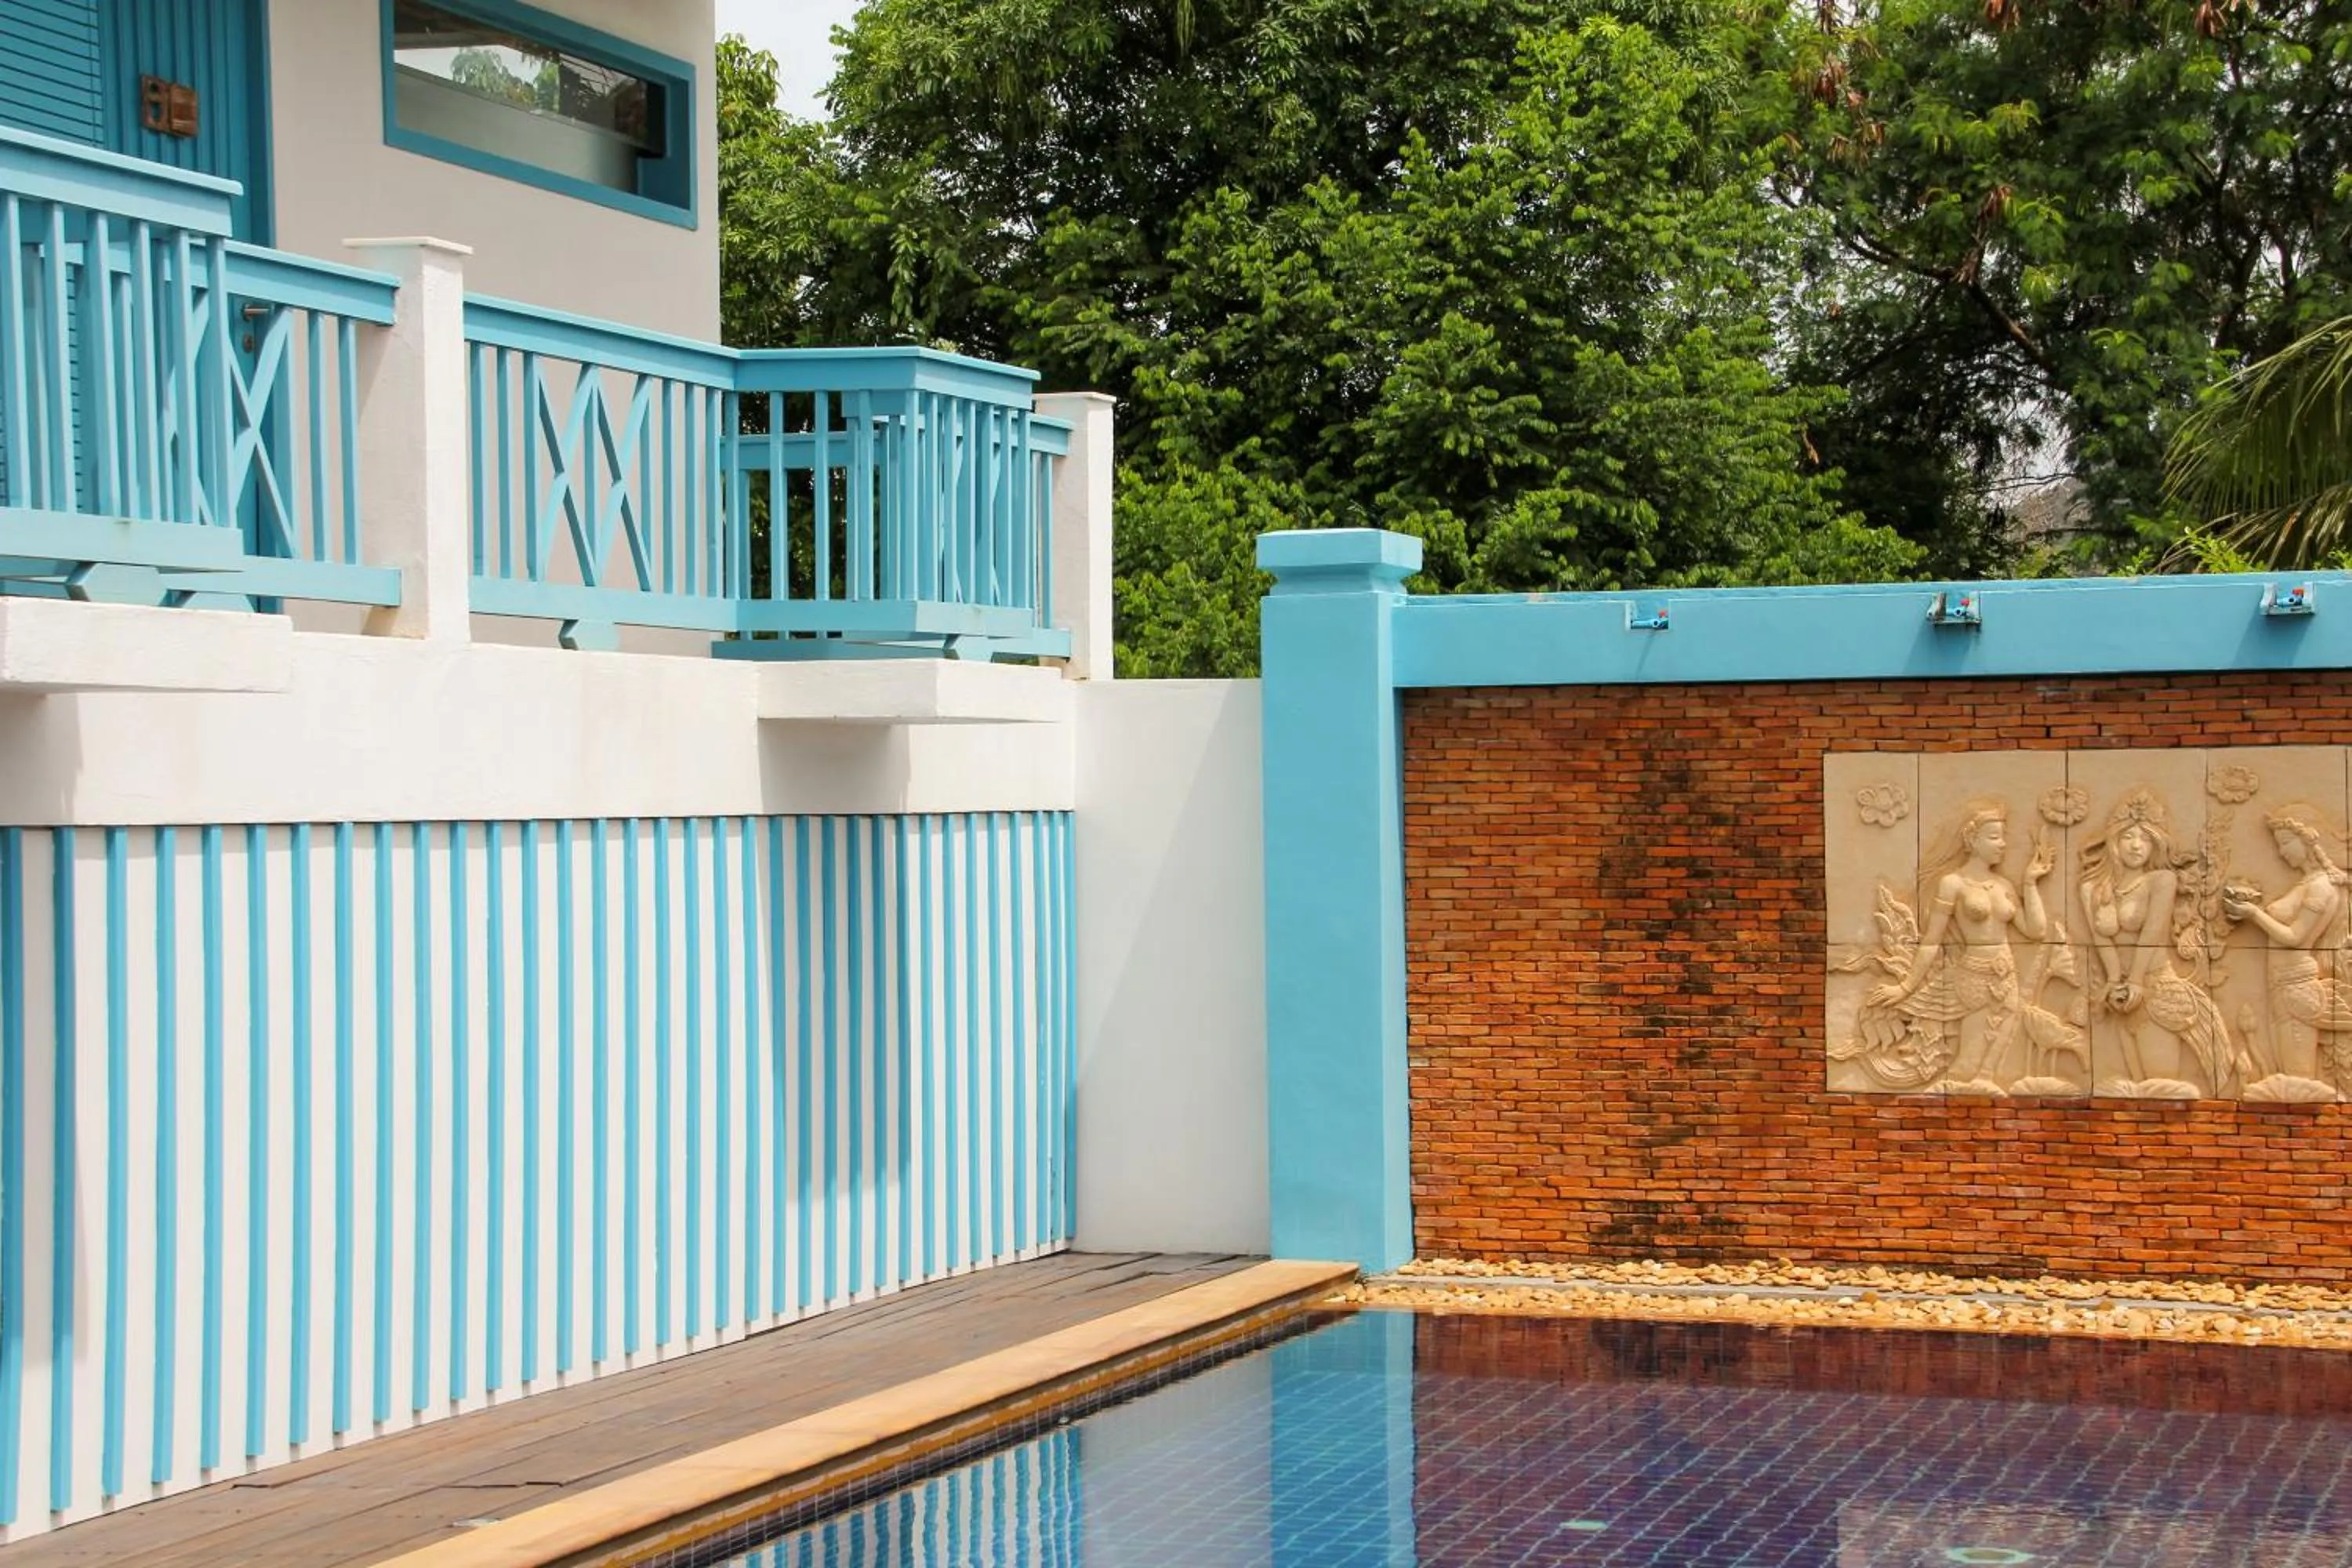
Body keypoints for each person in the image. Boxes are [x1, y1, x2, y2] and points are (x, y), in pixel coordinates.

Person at [1869, 798, 2079, 1089]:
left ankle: (1983, 1087)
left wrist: (2031, 883)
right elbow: (1931, 941)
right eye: (1994, 837)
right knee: (1969, 1057)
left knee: (1997, 1048)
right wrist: (1905, 986)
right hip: (1973, 976)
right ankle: (1959, 1091)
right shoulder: (1953, 883)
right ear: (1972, 840)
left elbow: (2035, 930)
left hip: (2006, 973)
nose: (2002, 844)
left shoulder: (2004, 886)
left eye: (2003, 837)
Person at [2077, 789, 2231, 1095]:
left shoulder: (2161, 881)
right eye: (2129, 837)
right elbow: (2100, 940)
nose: (2136, 845)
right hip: (2117, 989)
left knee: (2160, 1083)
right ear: (2114, 840)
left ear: (2156, 844)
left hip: (2157, 988)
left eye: (2145, 839)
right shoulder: (2091, 886)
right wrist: (2113, 981)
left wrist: (2135, 982)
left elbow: (2152, 933)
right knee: (2129, 1087)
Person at [2223, 808, 2352, 1090]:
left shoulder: (2321, 888)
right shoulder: (2306, 884)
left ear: (2306, 841)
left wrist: (2254, 915)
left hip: (2297, 987)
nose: (2281, 852)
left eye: (2284, 842)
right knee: (2288, 1077)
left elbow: (2295, 937)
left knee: (2298, 1082)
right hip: (2282, 985)